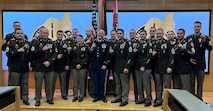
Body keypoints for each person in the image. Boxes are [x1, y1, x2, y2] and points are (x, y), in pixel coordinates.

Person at [30, 27, 57, 106]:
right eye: (43, 33)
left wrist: (49, 61)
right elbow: (33, 53)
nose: (45, 34)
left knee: (49, 84)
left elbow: (55, 53)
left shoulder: (51, 42)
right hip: (39, 67)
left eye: (46, 33)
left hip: (49, 67)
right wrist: (42, 49)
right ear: (40, 33)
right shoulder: (36, 42)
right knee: (38, 84)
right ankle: (38, 99)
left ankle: (49, 98)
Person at [186, 21, 212, 100]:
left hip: (201, 65)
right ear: (193, 27)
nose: (196, 28)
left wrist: (204, 41)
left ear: (200, 27)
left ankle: (199, 98)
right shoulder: (189, 38)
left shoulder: (205, 37)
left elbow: (210, 48)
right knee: (191, 83)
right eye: (195, 26)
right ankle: (192, 98)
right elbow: (185, 50)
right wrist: (189, 59)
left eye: (198, 26)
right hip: (191, 64)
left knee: (200, 83)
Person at [6, 28, 30, 105]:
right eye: (18, 33)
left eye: (21, 33)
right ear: (15, 34)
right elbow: (8, 53)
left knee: (25, 84)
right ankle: (11, 100)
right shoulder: (11, 43)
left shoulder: (27, 43)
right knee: (13, 84)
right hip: (15, 67)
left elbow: (30, 55)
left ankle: (25, 99)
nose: (20, 35)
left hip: (24, 67)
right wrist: (17, 51)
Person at [152, 28, 175, 107]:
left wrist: (170, 66)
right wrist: (152, 55)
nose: (158, 35)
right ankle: (158, 100)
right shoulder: (155, 43)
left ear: (163, 34)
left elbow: (172, 56)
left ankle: (167, 102)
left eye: (160, 33)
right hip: (157, 69)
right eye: (157, 33)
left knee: (167, 87)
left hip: (166, 69)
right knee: (158, 86)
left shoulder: (168, 43)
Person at [110, 29, 133, 106]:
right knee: (117, 84)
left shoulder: (127, 43)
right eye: (118, 33)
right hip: (116, 67)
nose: (119, 35)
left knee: (124, 84)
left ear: (123, 34)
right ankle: (118, 97)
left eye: (120, 33)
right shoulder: (115, 43)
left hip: (124, 67)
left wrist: (127, 67)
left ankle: (125, 99)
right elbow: (114, 55)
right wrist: (111, 52)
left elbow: (130, 56)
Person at [90, 29, 109, 103]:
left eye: (102, 33)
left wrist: (105, 64)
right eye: (99, 33)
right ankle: (97, 96)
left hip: (102, 66)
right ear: (97, 34)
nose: (100, 34)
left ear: (104, 35)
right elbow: (89, 54)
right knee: (96, 81)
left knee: (102, 82)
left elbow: (107, 55)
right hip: (95, 66)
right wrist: (92, 48)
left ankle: (102, 96)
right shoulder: (94, 42)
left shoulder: (107, 43)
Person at [134, 30, 152, 107]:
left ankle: (148, 99)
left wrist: (144, 66)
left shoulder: (148, 44)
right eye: (141, 34)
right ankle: (141, 98)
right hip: (137, 67)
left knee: (146, 84)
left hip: (146, 67)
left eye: (143, 34)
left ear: (146, 35)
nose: (142, 36)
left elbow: (149, 56)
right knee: (139, 84)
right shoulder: (137, 44)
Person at [70, 35, 89, 102]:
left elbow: (86, 57)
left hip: (82, 67)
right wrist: (69, 51)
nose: (79, 40)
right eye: (78, 38)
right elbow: (71, 57)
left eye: (80, 38)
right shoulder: (73, 47)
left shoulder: (85, 47)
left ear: (82, 39)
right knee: (75, 82)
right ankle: (75, 95)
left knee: (81, 82)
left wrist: (80, 64)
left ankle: (81, 95)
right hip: (74, 67)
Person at [53, 30, 70, 100]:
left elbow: (68, 56)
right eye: (59, 34)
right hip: (54, 66)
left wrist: (67, 64)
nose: (60, 35)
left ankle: (64, 95)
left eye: (61, 34)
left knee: (63, 82)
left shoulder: (66, 44)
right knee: (52, 82)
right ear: (57, 35)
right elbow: (50, 54)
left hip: (63, 66)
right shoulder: (53, 43)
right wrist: (56, 56)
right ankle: (51, 95)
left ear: (63, 35)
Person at [65, 28, 78, 96]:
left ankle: (75, 93)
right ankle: (65, 93)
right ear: (72, 33)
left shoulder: (79, 41)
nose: (75, 34)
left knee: (75, 79)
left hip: (75, 63)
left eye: (76, 32)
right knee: (66, 78)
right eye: (74, 32)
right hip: (68, 63)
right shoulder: (67, 41)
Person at [84, 28, 95, 98]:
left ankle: (92, 92)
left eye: (89, 31)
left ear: (91, 32)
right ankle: (83, 92)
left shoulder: (94, 41)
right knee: (83, 78)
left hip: (91, 61)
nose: (88, 32)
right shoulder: (83, 40)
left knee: (92, 78)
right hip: (84, 62)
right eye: (86, 31)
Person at [128, 29, 139, 102]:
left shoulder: (138, 42)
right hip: (128, 65)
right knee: (126, 82)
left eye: (133, 33)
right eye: (130, 33)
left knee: (136, 82)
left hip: (136, 65)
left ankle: (136, 97)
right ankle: (125, 96)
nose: (132, 34)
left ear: (135, 34)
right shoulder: (126, 42)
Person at [106, 30, 117, 95]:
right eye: (112, 34)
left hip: (115, 62)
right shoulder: (108, 42)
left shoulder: (118, 42)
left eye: (114, 34)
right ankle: (106, 91)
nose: (113, 35)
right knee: (106, 78)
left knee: (116, 79)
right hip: (108, 62)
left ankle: (116, 92)